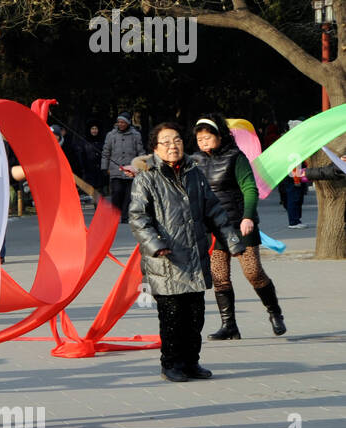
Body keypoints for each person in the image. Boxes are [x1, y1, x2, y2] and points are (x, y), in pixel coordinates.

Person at [129, 122, 243, 383]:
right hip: (166, 261)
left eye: (177, 140)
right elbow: (137, 218)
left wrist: (233, 241)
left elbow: (214, 211)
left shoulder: (194, 174)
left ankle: (192, 362)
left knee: (195, 316)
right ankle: (171, 364)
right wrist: (156, 245)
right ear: (155, 148)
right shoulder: (146, 177)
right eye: (166, 141)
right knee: (172, 318)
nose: (173, 145)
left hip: (194, 258)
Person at [190, 114, 286, 338]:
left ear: (219, 136)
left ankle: (274, 312)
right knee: (220, 276)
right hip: (212, 227)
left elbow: (249, 189)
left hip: (239, 225)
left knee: (253, 272)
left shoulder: (236, 157)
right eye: (199, 139)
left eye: (207, 138)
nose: (203, 142)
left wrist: (248, 217)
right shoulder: (194, 160)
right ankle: (229, 325)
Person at [101, 112, 145, 223]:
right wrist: (104, 167)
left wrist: (141, 167)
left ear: (128, 123)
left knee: (128, 195)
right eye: (119, 122)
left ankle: (125, 215)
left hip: (131, 170)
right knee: (116, 192)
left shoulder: (136, 135)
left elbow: (140, 152)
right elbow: (106, 151)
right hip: (115, 169)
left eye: (123, 122)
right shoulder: (111, 135)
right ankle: (115, 214)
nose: (120, 124)